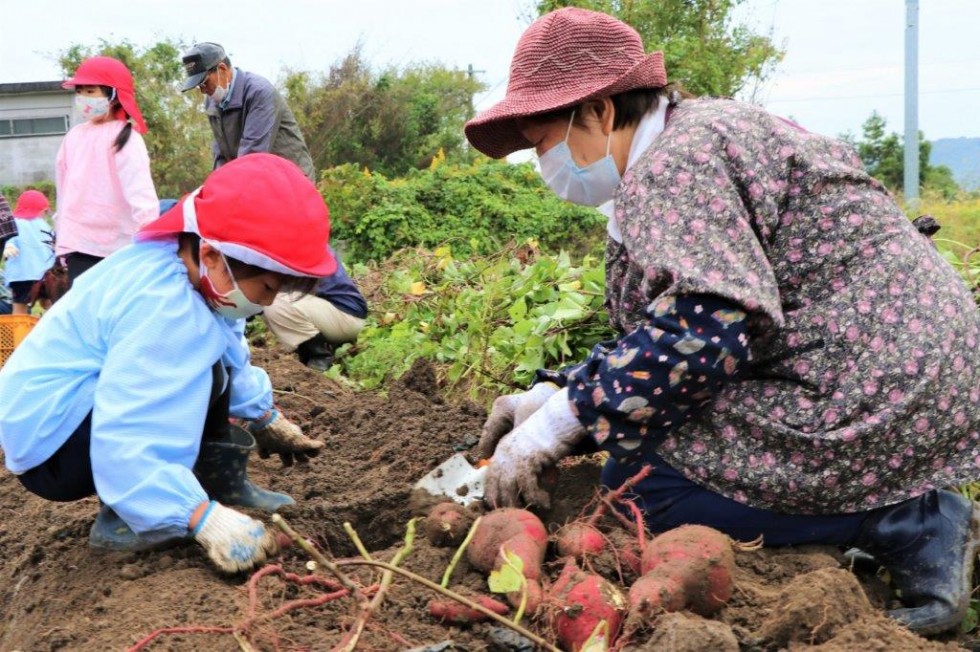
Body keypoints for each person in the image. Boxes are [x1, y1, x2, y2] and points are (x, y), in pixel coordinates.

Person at [463, 7, 980, 635]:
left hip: (872, 387)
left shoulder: (672, 168)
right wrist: (556, 390)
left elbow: (705, 331)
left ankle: (907, 519)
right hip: (898, 367)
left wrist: (563, 423)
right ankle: (873, 511)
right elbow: (676, 320)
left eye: (544, 143)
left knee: (641, 483)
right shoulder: (699, 135)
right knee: (637, 439)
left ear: (599, 111)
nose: (543, 163)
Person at [0, 154, 335, 573]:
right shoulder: (163, 308)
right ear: (213, 255)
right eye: (267, 287)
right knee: (189, 376)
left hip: (70, 416)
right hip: (53, 447)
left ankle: (214, 482)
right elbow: (131, 425)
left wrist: (265, 416)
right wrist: (199, 518)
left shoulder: (190, 267)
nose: (267, 302)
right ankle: (125, 515)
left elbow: (228, 352)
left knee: (209, 363)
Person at [56, 56, 159, 286]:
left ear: (113, 96)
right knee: (84, 316)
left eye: (90, 91)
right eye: (80, 91)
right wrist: (61, 235)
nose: (83, 98)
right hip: (80, 245)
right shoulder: (73, 137)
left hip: (120, 248)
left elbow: (141, 196)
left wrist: (152, 242)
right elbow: (64, 191)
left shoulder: (126, 138)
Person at [180, 42, 315, 180]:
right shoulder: (212, 103)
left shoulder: (259, 93)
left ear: (222, 69)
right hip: (258, 179)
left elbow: (252, 155)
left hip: (291, 180)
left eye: (205, 82)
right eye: (199, 86)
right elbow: (220, 156)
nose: (203, 91)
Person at [262, 247, 367, 371]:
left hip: (347, 316)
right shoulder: (308, 242)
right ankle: (311, 356)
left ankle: (321, 357)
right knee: (272, 301)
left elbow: (265, 292)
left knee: (274, 303)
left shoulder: (301, 249)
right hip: (335, 315)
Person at [2, 190, 55, 314]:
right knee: (50, 303)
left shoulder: (14, 223)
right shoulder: (46, 226)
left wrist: (8, 247)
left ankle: (20, 332)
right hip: (45, 276)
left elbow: (9, 238)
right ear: (42, 210)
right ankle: (53, 328)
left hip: (21, 275)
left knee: (19, 307)